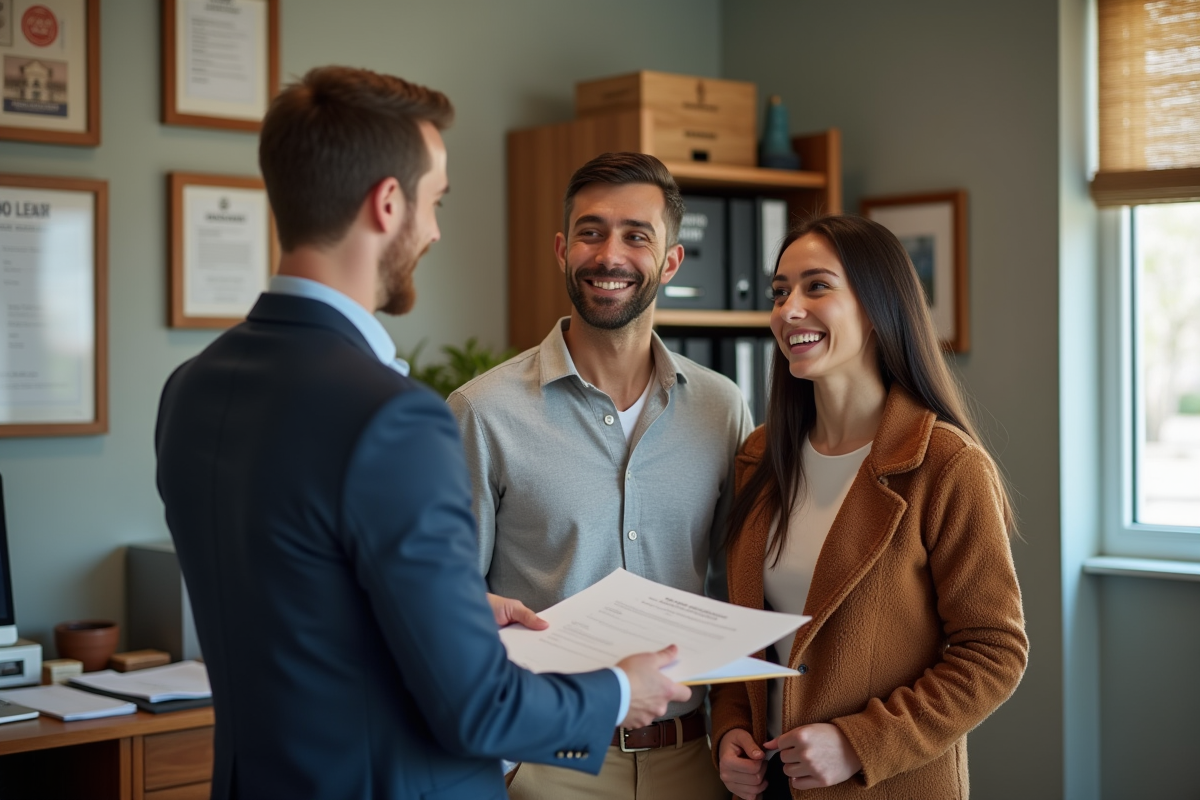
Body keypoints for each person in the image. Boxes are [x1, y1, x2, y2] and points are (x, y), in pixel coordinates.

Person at [154, 67, 690, 800]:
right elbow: (476, 707)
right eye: (434, 202)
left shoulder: (192, 387)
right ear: (387, 204)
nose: (435, 230)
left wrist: (453, 611)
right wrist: (620, 692)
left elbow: (305, 608)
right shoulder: (393, 417)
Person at [448, 152, 753, 800]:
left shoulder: (722, 408)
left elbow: (738, 590)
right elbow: (446, 603)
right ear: (563, 249)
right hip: (544, 761)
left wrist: (733, 726)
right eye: (591, 232)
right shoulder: (483, 412)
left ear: (671, 261)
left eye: (636, 235)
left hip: (691, 760)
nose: (609, 254)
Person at [711, 215, 1028, 799]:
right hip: (767, 785)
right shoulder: (759, 456)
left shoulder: (946, 464)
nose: (789, 310)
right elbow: (743, 629)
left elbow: (994, 651)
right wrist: (729, 727)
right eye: (779, 292)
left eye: (817, 286)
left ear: (878, 308)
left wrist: (860, 743)